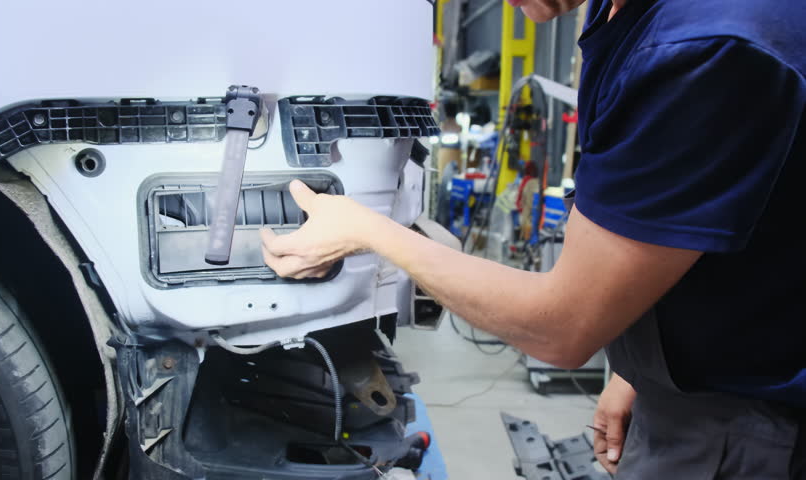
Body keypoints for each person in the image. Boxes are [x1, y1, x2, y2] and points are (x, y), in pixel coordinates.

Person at [260, 0, 806, 477]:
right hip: (681, 394)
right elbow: (675, 223)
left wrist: (366, 230)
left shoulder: (710, 46)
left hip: (743, 428)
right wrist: (638, 373)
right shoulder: (619, 11)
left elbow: (561, 329)